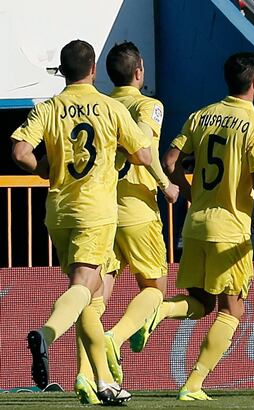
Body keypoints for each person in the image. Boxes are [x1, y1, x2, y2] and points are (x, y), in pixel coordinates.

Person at [11, 39, 152, 404]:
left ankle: (103, 382)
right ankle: (47, 333)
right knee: (85, 286)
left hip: (59, 211)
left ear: (64, 70)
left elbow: (19, 151)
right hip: (96, 211)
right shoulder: (110, 107)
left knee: (87, 297)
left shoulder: (50, 108)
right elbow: (142, 154)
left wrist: (42, 168)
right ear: (93, 70)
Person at [137, 52, 254, 400]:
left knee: (200, 302)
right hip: (230, 231)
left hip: (195, 224)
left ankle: (161, 309)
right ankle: (193, 384)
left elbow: (169, 161)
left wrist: (190, 192)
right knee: (232, 309)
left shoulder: (201, 116)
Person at [63, 41, 180, 404]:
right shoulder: (150, 105)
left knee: (96, 296)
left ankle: (85, 375)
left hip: (103, 210)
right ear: (139, 72)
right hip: (137, 209)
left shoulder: (104, 104)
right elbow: (141, 148)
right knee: (155, 288)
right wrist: (167, 185)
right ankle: (115, 337)